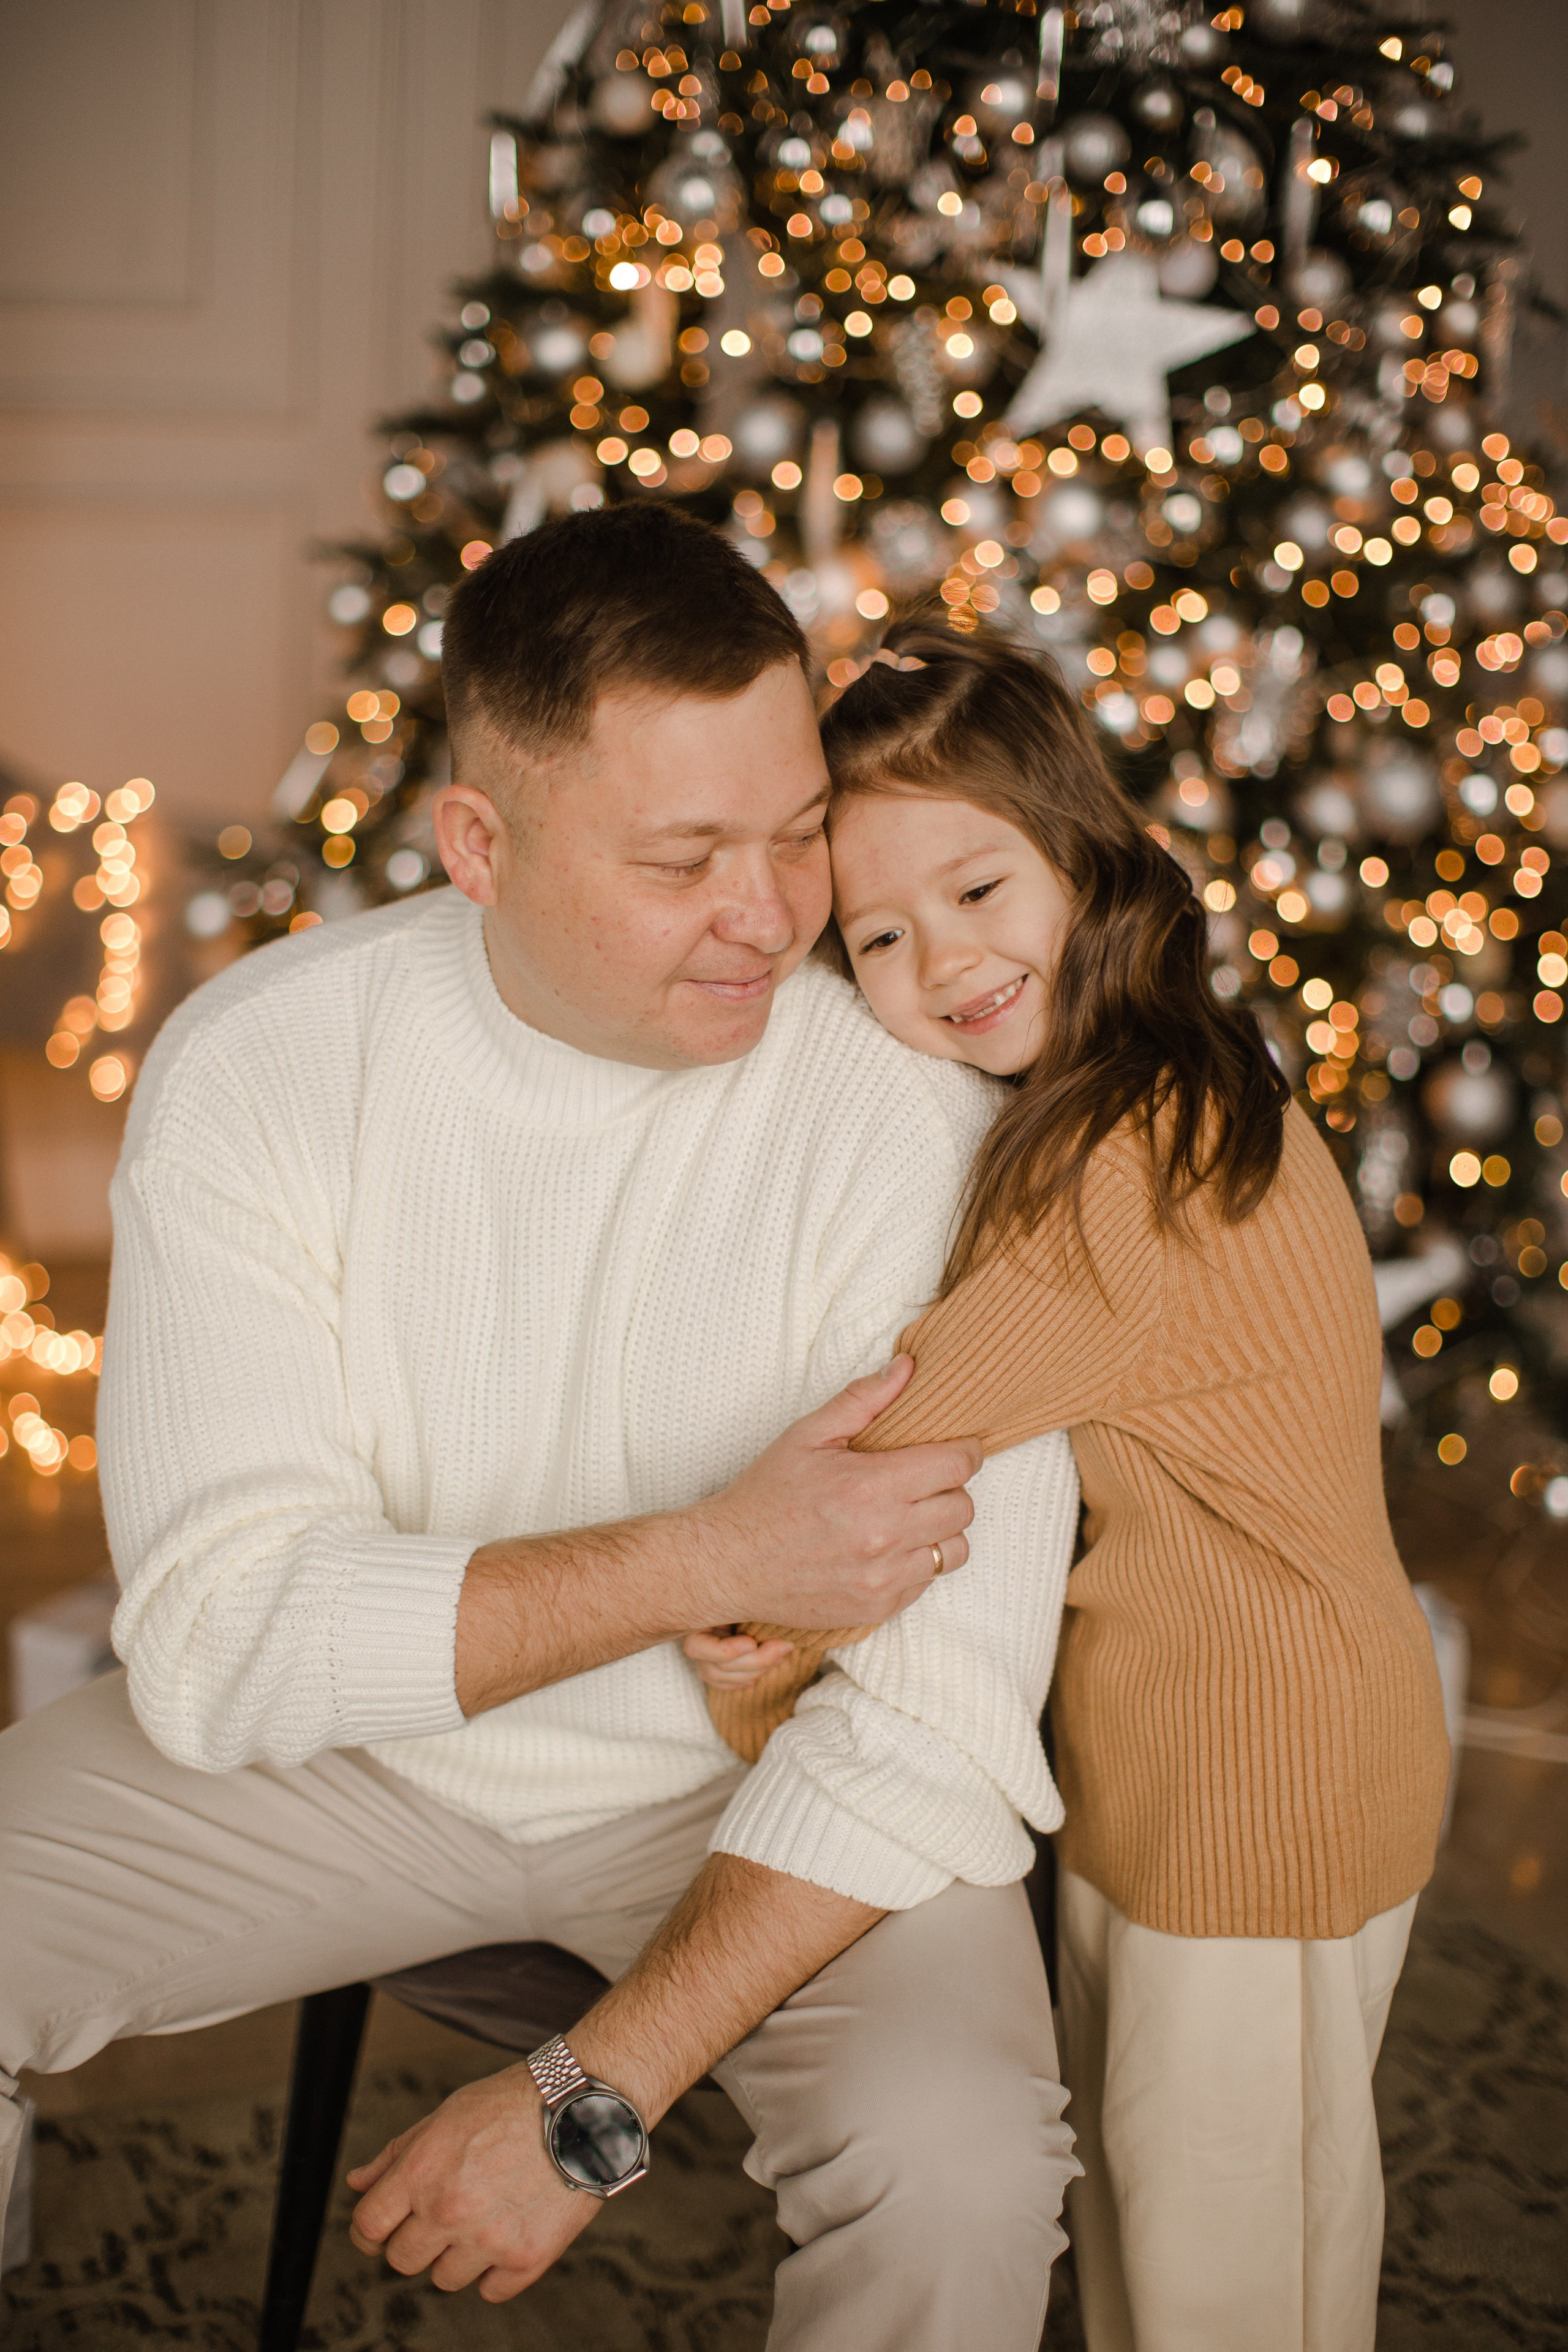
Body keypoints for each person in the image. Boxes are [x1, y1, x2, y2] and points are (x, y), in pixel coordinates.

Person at [0, 511, 1083, 2350]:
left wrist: (591, 2098)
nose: (774, 916)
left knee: (962, 2171)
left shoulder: (910, 1120)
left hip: (772, 1798)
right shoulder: (266, 1070)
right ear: (479, 847)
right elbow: (218, 1647)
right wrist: (708, 1556)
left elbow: (942, 1721)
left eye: (798, 831)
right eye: (684, 860)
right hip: (353, 1765)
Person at [690, 618, 1451, 2352]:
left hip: (1255, 1783)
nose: (939, 961)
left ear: (1081, 855)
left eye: (975, 889)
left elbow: (894, 1430)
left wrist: (745, 1640)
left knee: (1214, 2270)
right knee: (1225, 2216)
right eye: (877, 937)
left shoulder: (1137, 1155)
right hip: (1207, 1757)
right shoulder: (1141, 1079)